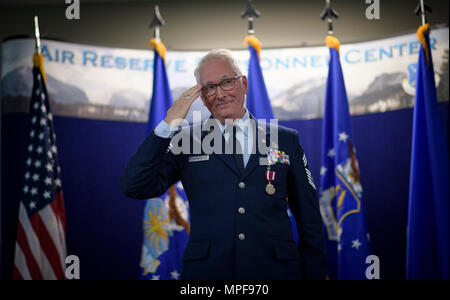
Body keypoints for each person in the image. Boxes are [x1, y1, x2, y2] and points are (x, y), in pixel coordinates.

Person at [120, 49, 326, 280]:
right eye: (209, 87)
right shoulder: (187, 141)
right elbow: (134, 185)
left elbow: (309, 220)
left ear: (244, 84)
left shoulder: (285, 140)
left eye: (227, 82)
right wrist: (169, 122)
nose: (219, 94)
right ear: (201, 95)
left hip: (275, 272)